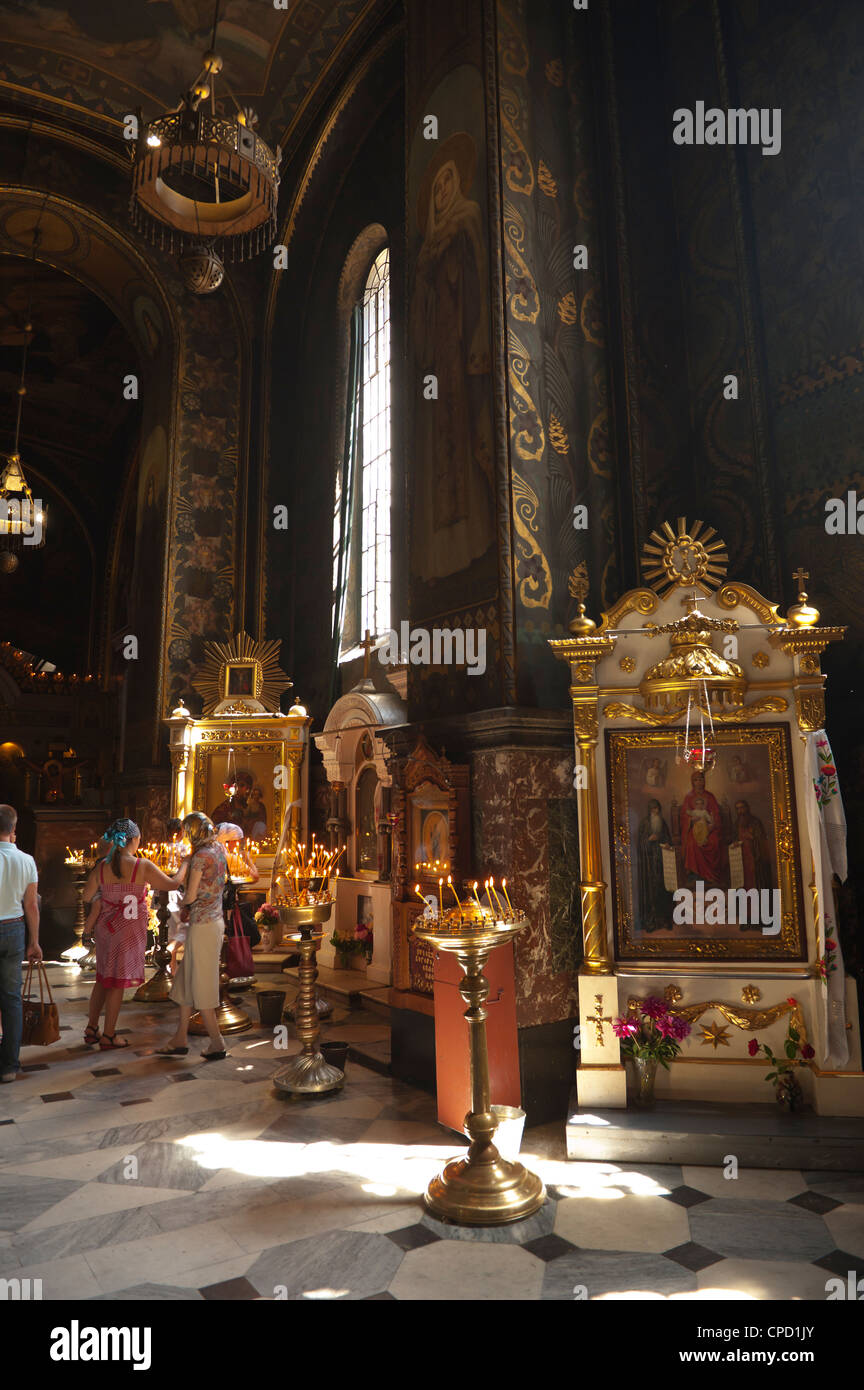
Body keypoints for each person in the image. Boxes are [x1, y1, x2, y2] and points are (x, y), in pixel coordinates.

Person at [82, 819, 188, 1050]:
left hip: (106, 930)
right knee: (118, 983)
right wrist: (185, 866)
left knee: (103, 978)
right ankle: (109, 1035)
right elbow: (172, 884)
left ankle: (92, 1028)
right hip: (128, 931)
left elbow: (87, 895)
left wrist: (104, 899)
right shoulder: (142, 866)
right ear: (134, 840)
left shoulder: (101, 867)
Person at [157, 812, 230, 1061]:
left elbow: (189, 896)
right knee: (186, 980)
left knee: (202, 984)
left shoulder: (199, 857)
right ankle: (180, 1038)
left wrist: (183, 870)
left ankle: (217, 1042)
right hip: (214, 921)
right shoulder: (219, 849)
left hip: (203, 927)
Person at [0, 804, 42, 1083]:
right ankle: (9, 1067)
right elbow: (31, 906)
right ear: (14, 829)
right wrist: (35, 942)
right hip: (14, 930)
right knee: (12, 999)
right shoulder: (26, 861)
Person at [680, 771, 725, 887]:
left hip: (709, 828)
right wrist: (691, 820)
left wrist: (712, 825)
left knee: (714, 842)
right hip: (695, 829)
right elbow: (685, 815)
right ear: (692, 782)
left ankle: (712, 876)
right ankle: (695, 875)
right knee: (691, 843)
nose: (699, 782)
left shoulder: (710, 796)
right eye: (696, 780)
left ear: (704, 781)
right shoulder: (689, 797)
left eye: (701, 779)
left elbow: (715, 813)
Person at [636, 798, 674, 933]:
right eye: (653, 809)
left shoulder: (662, 823)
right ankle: (651, 921)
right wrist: (648, 840)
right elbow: (640, 844)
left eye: (657, 809)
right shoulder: (644, 824)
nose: (656, 811)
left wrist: (668, 844)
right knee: (651, 893)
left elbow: (668, 838)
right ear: (649, 810)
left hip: (662, 863)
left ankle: (664, 920)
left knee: (663, 891)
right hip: (649, 866)